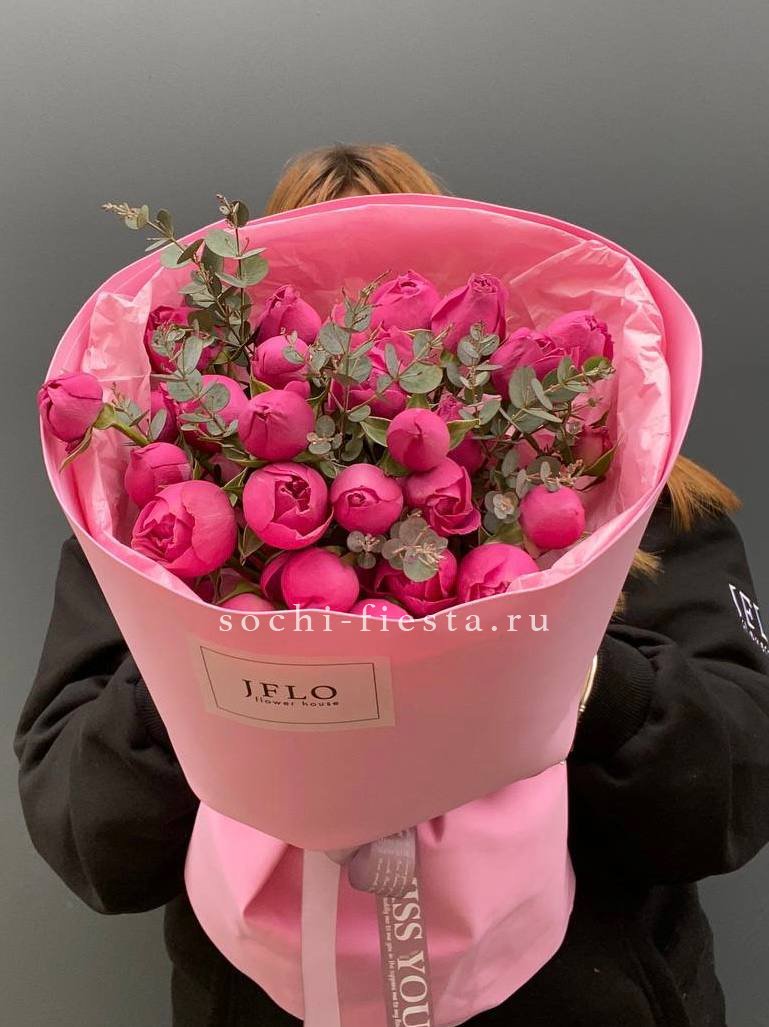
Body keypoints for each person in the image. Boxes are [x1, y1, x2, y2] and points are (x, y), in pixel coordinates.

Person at [15, 142, 769, 1027]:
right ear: (247, 346)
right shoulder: (137, 542)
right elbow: (88, 841)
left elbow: (735, 791)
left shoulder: (645, 509)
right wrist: (203, 653)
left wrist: (563, 656)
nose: (354, 361)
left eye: (389, 325)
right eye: (319, 328)